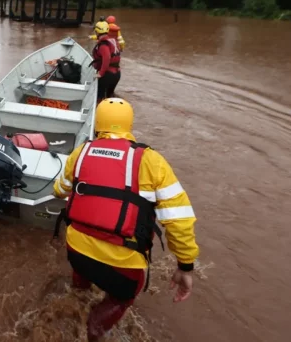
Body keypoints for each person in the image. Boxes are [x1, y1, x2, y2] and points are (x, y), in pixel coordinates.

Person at [52, 98, 199, 341]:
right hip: (122, 265)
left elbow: (60, 190)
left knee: (81, 278)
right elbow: (179, 219)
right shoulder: (151, 160)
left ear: (98, 123)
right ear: (129, 124)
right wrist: (185, 266)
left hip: (76, 251)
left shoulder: (82, 152)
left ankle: (78, 295)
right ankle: (94, 329)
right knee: (121, 297)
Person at [91, 22, 122, 103]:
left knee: (99, 98)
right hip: (116, 74)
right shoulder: (113, 41)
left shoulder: (103, 45)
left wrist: (100, 74)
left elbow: (107, 59)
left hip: (107, 75)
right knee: (109, 98)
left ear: (97, 32)